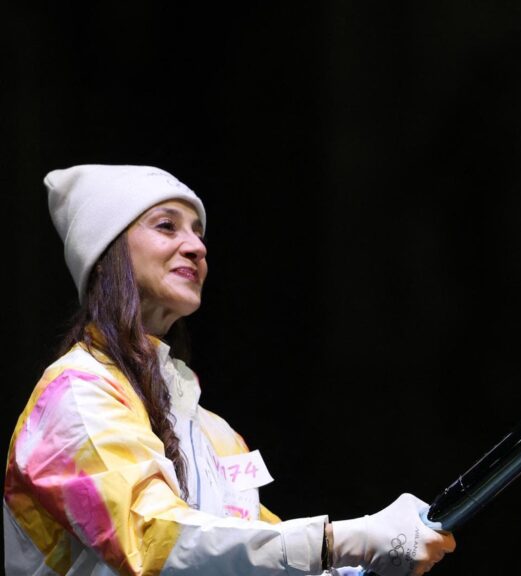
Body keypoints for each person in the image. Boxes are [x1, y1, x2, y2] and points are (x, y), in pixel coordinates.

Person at [3, 165, 456, 575]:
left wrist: (360, 565)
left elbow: (253, 556)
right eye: (167, 226)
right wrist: (346, 541)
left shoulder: (215, 433)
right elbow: (154, 541)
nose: (196, 246)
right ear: (106, 255)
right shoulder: (76, 393)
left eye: (199, 233)